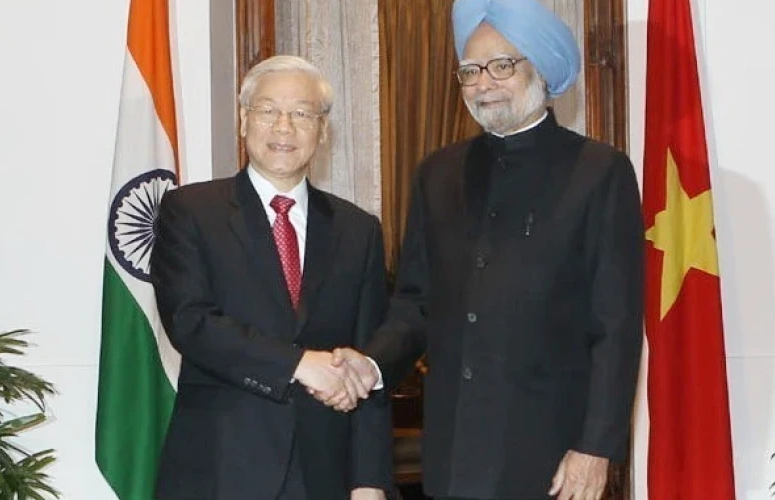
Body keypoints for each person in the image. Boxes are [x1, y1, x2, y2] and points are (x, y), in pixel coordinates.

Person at [326, 1, 645, 499]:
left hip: (552, 455)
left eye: (502, 65)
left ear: (540, 69)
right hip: (455, 450)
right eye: (470, 70)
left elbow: (616, 326)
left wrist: (596, 447)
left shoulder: (599, 172)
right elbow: (415, 305)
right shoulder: (438, 173)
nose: (483, 83)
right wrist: (371, 363)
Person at [150, 55, 391, 500]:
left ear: (322, 130)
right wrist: (299, 364)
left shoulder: (358, 230)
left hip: (325, 472)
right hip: (220, 468)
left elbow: (368, 361)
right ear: (244, 120)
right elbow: (191, 322)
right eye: (268, 110)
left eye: (302, 113)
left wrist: (370, 479)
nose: (284, 127)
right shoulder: (190, 211)